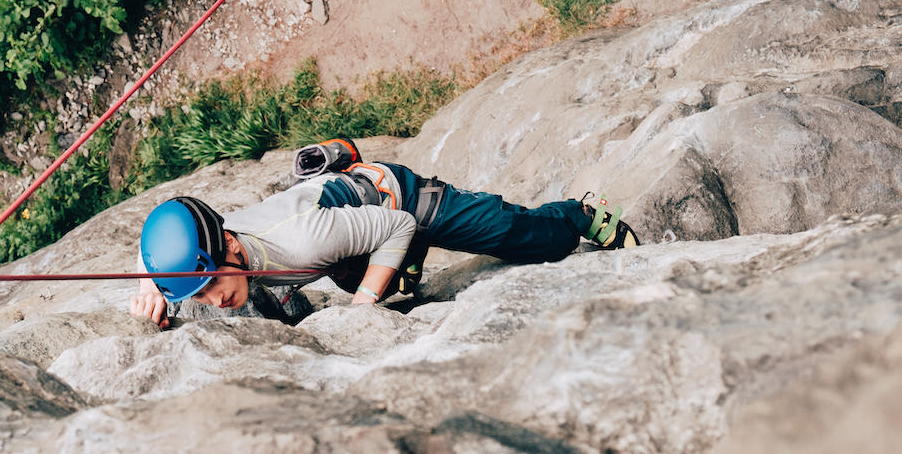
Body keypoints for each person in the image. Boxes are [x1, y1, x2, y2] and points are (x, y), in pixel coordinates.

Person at [129, 139, 638, 328]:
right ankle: (395, 266)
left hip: (399, 199)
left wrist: (365, 303)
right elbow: (153, 244)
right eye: (201, 291)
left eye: (213, 283)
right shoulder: (210, 251)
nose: (216, 300)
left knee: (519, 236)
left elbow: (398, 223)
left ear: (231, 246)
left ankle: (578, 214)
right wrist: (153, 288)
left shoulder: (304, 241)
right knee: (377, 280)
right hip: (349, 228)